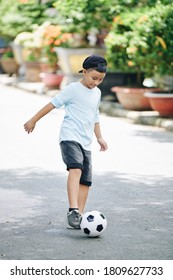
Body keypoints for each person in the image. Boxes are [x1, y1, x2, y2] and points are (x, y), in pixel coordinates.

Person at [24, 54, 108, 229]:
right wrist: (33, 120)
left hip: (86, 141)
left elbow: (95, 116)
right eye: (94, 78)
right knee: (75, 169)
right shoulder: (72, 89)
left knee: (86, 180)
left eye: (100, 80)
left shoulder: (97, 93)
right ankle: (73, 210)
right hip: (69, 137)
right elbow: (52, 104)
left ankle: (81, 216)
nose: (96, 83)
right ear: (84, 72)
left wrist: (99, 137)